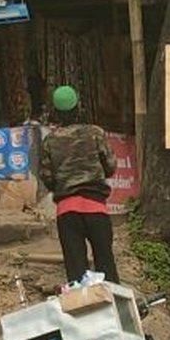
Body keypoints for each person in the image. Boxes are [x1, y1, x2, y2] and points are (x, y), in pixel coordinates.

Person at [38, 85, 119, 285]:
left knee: (76, 275)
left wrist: (62, 186)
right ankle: (113, 311)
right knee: (106, 266)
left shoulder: (50, 141)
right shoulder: (96, 133)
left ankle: (81, 313)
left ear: (55, 112)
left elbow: (47, 176)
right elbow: (110, 166)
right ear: (78, 108)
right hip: (96, 209)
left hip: (67, 212)